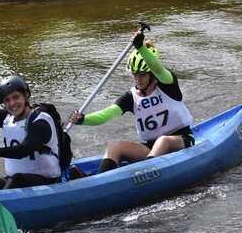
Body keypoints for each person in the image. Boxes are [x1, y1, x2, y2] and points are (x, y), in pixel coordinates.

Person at [69, 25, 194, 174]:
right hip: (151, 149)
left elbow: (159, 69)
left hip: (181, 141)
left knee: (163, 140)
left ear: (151, 74)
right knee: (115, 146)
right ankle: (98, 179)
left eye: (142, 75)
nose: (137, 79)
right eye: (135, 74)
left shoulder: (167, 85)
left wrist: (140, 47)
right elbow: (105, 115)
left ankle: (145, 175)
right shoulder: (131, 97)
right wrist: (83, 119)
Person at [0, 73, 62, 191]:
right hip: (14, 181)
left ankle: (5, 198)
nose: (12, 103)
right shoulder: (7, 117)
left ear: (26, 95)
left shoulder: (40, 120)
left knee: (16, 180)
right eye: (7, 100)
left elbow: (24, 150)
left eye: (16, 97)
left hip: (47, 182)